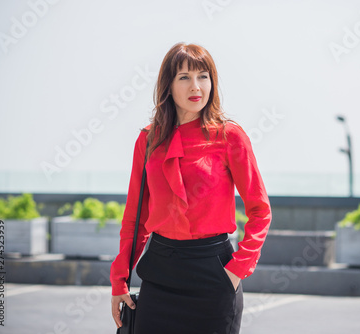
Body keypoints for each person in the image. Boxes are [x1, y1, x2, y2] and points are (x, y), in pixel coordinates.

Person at [110, 42, 272, 334]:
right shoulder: (148, 141)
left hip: (214, 276)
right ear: (168, 85)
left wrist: (236, 271)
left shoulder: (229, 136)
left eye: (203, 76)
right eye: (184, 77)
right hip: (160, 275)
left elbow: (260, 210)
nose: (195, 86)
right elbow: (135, 218)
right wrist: (119, 279)